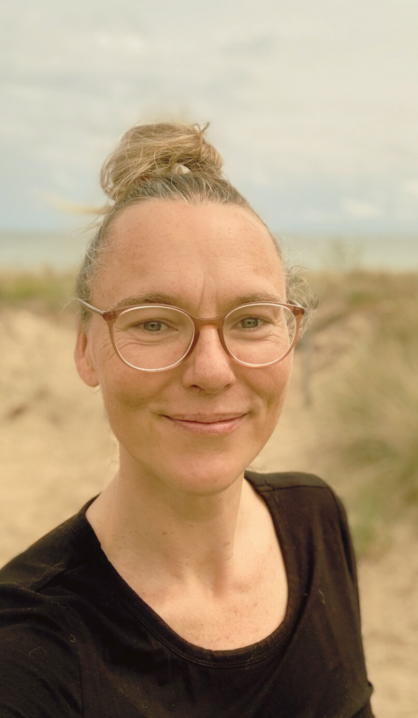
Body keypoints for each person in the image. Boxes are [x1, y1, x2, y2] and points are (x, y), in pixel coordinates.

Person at [0, 122, 374, 717]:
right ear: (85, 348)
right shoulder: (25, 653)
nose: (212, 371)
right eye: (154, 322)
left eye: (251, 320)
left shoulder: (316, 520)